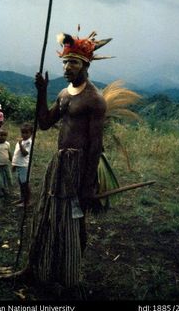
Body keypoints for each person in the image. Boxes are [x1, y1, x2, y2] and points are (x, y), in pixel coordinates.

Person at [8, 30, 113, 291]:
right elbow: (44, 123)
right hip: (58, 164)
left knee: (70, 222)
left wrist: (88, 186)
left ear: (86, 65)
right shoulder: (65, 94)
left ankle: (68, 280)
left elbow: (95, 147)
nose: (67, 67)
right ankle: (33, 269)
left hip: (78, 168)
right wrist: (42, 92)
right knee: (44, 214)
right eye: (65, 62)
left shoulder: (94, 100)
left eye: (73, 62)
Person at [12, 123, 33, 207]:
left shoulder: (29, 142)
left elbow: (24, 153)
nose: (24, 134)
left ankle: (27, 201)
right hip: (19, 165)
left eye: (26, 133)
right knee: (21, 183)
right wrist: (14, 164)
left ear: (31, 133)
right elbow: (16, 154)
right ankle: (22, 198)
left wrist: (21, 144)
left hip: (24, 166)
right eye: (22, 132)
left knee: (25, 184)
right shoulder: (21, 141)